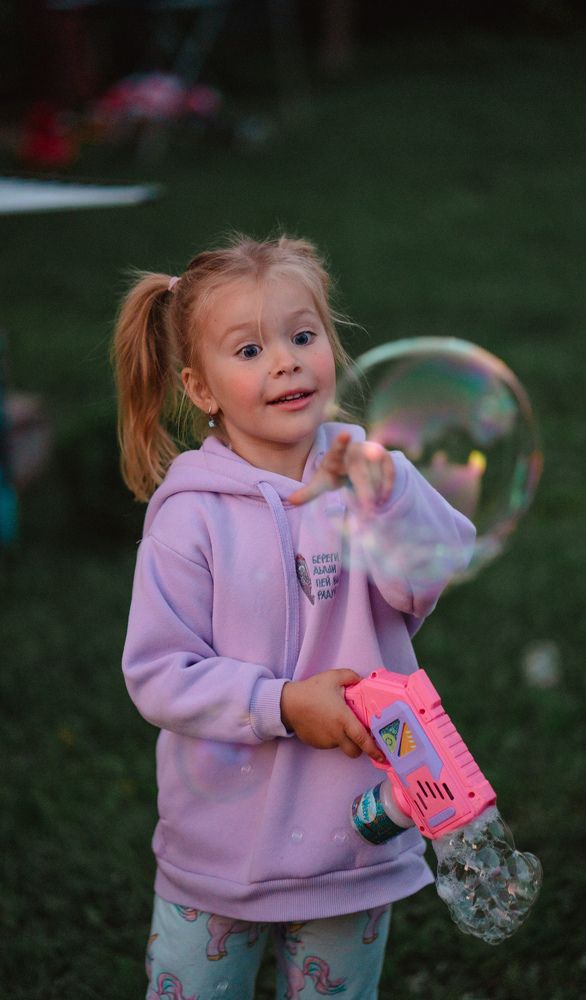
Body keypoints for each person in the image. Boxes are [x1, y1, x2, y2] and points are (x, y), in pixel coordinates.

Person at [113, 233, 476, 1000]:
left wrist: (390, 495)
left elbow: (429, 575)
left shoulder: (372, 478)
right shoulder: (190, 517)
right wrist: (280, 703)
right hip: (221, 855)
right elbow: (158, 674)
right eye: (250, 350)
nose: (285, 361)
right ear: (200, 388)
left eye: (302, 336)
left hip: (353, 836)